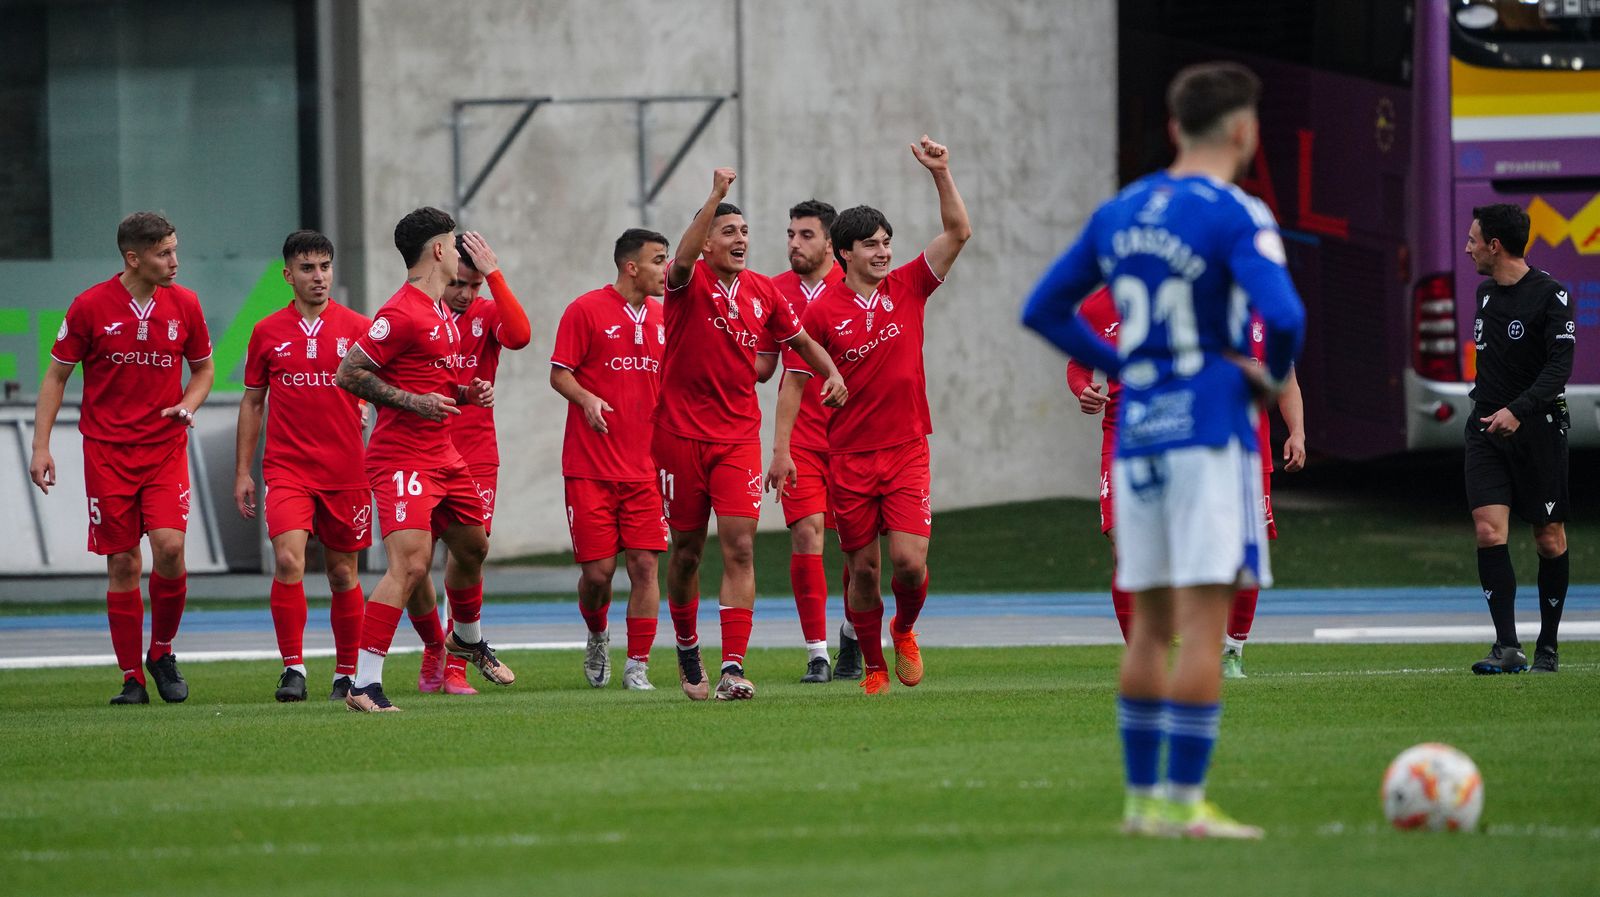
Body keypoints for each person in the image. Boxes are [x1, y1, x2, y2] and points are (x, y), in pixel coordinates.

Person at [1022, 62, 1304, 838]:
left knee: (1149, 625)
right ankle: (1185, 803)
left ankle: (1140, 803)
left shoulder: (1121, 211)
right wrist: (1264, 377)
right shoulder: (1238, 213)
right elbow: (1283, 317)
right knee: (1203, 628)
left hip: (1137, 437)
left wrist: (1125, 369)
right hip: (1209, 437)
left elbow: (1043, 308)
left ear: (1176, 128)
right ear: (1244, 132)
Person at [772, 136, 972, 696]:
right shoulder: (820, 310)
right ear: (844, 254)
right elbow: (797, 374)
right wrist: (783, 447)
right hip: (851, 457)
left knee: (908, 563)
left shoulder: (909, 285)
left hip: (908, 447)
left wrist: (941, 173)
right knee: (863, 571)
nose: (883, 252)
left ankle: (903, 629)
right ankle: (874, 666)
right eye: (870, 245)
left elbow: (959, 232)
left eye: (887, 243)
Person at [653, 167, 847, 701]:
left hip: (737, 437)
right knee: (687, 552)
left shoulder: (765, 292)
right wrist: (715, 196)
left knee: (740, 547)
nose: (741, 240)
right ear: (708, 240)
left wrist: (831, 372)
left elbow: (802, 343)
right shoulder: (685, 283)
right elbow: (684, 258)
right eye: (729, 232)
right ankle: (689, 649)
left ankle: (733, 667)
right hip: (677, 436)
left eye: (744, 232)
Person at [1068, 291, 1306, 678]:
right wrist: (1083, 389)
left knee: (1239, 550)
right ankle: (1149, 660)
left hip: (1220, 441)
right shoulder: (1098, 304)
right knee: (1126, 546)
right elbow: (1078, 362)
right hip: (1125, 439)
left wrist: (1295, 431)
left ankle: (1231, 651)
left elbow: (1282, 376)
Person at [30, 212, 214, 705]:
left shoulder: (186, 305)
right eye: (164, 254)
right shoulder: (90, 306)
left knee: (171, 548)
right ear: (134, 258)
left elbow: (203, 370)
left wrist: (188, 405)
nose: (175, 262)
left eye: (175, 250)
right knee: (123, 562)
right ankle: (132, 677)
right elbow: (55, 377)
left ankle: (162, 651)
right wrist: (40, 446)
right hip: (107, 453)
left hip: (164, 449)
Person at [333, 206, 511, 712]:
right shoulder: (401, 312)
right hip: (401, 459)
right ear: (438, 250)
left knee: (473, 547)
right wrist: (417, 404)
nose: (459, 255)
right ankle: (365, 683)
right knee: (410, 566)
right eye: (454, 245)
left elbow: (422, 378)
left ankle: (465, 638)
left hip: (445, 454)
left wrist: (462, 392)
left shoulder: (440, 313)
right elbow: (349, 374)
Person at [235, 230, 372, 702]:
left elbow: (384, 385)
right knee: (290, 560)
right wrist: (242, 471)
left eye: (325, 267)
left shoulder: (360, 327)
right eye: (308, 268)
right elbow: (253, 403)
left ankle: (346, 673)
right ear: (287, 275)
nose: (318, 277)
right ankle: (293, 668)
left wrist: (368, 405)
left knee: (342, 574)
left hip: (346, 469)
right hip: (288, 468)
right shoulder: (266, 331)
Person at [405, 230, 533, 697]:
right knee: (414, 562)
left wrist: (496, 275)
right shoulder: (414, 313)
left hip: (475, 452)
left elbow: (520, 335)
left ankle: (456, 663)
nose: (466, 294)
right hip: (418, 448)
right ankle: (432, 648)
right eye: (459, 283)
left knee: (468, 553)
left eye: (475, 286)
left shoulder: (484, 312)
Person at [551, 228, 670, 691]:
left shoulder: (667, 317)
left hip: (647, 469)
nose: (666, 269)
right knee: (597, 575)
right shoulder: (585, 310)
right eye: (658, 260)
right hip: (590, 467)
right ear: (631, 266)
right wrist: (586, 399)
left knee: (644, 566)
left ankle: (637, 664)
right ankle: (598, 633)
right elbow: (559, 374)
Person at [1462, 202, 1573, 675]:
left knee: (1548, 539)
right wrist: (1492, 410)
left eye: (1472, 240)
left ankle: (1547, 646)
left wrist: (1518, 411)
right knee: (1489, 531)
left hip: (1538, 433)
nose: (1467, 248)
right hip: (1486, 431)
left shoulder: (1552, 296)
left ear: (1495, 245)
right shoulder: (1485, 295)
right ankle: (1507, 645)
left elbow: (1558, 371)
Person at [767, 199, 855, 683]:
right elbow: (762, 367)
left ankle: (852, 636)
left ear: (830, 243)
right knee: (807, 534)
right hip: (798, 438)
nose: (794, 243)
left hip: (851, 437)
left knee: (858, 546)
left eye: (805, 235)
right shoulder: (772, 291)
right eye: (790, 234)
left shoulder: (855, 285)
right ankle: (817, 653)